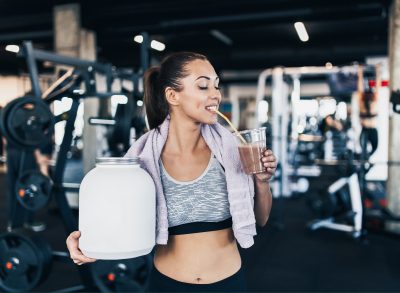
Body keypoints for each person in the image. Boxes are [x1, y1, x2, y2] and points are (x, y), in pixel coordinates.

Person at [66, 52, 276, 291]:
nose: (215, 94)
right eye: (203, 86)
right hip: (167, 284)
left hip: (229, 283)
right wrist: (85, 241)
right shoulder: (145, 159)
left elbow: (261, 218)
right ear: (173, 95)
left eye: (216, 86)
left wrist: (261, 182)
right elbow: (112, 213)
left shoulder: (230, 150)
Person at [357, 65, 379, 158]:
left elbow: (376, 87)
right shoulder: (365, 101)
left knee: (373, 148)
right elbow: (360, 88)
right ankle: (366, 157)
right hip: (367, 129)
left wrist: (360, 72)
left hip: (369, 129)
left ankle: (367, 157)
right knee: (368, 148)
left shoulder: (372, 101)